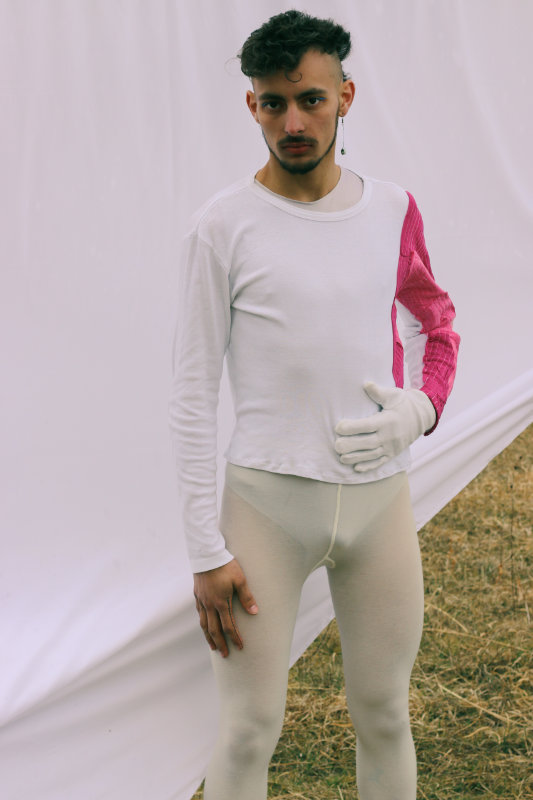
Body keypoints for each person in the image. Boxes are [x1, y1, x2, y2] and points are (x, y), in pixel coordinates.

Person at [168, 10, 460, 800]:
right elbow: (191, 393)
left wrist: (421, 409)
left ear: (344, 97)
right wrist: (203, 550)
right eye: (273, 103)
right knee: (247, 728)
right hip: (266, 508)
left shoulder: (392, 209)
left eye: (310, 99)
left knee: (385, 715)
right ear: (251, 106)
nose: (293, 122)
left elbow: (436, 324)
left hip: (377, 504)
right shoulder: (222, 227)